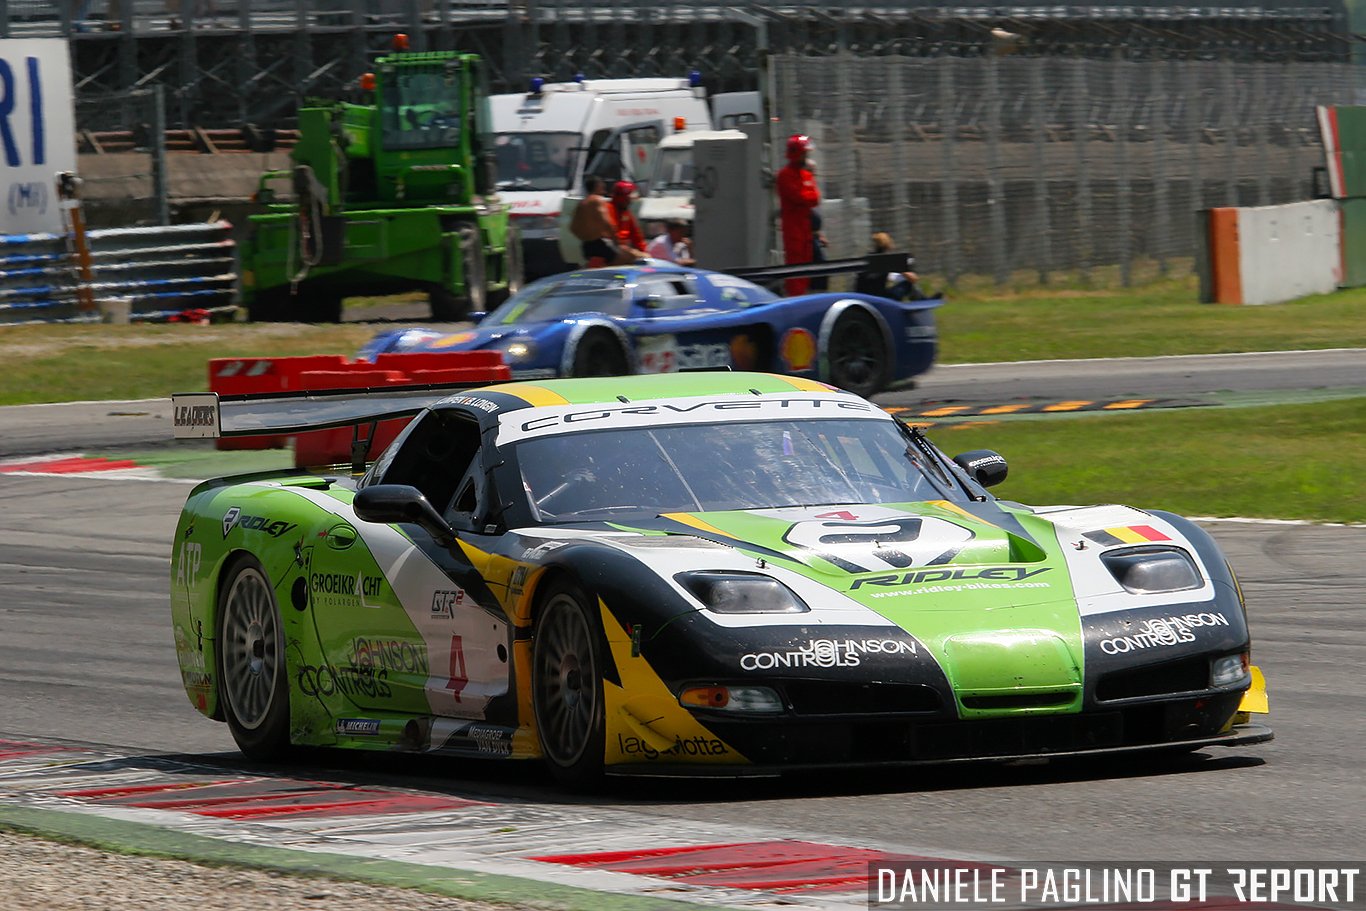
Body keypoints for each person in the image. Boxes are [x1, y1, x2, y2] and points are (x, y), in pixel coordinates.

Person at [775, 134, 821, 296]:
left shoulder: (806, 174)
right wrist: (806, 194)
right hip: (793, 229)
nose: (806, 157)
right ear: (795, 153)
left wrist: (806, 195)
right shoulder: (785, 175)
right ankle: (795, 299)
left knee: (807, 265)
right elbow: (800, 196)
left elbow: (815, 199)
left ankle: (805, 297)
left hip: (805, 227)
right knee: (795, 267)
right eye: (803, 153)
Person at [569, 176, 622, 268]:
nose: (605, 192)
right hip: (600, 244)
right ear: (598, 186)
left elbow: (572, 227)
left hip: (586, 246)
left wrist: (586, 236)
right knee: (626, 258)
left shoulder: (582, 203)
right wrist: (616, 238)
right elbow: (605, 221)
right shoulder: (598, 200)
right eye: (603, 188)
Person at [611, 180, 648, 258]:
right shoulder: (608, 210)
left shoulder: (627, 214)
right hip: (612, 251)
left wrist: (645, 252)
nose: (630, 202)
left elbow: (637, 237)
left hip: (626, 251)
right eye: (627, 199)